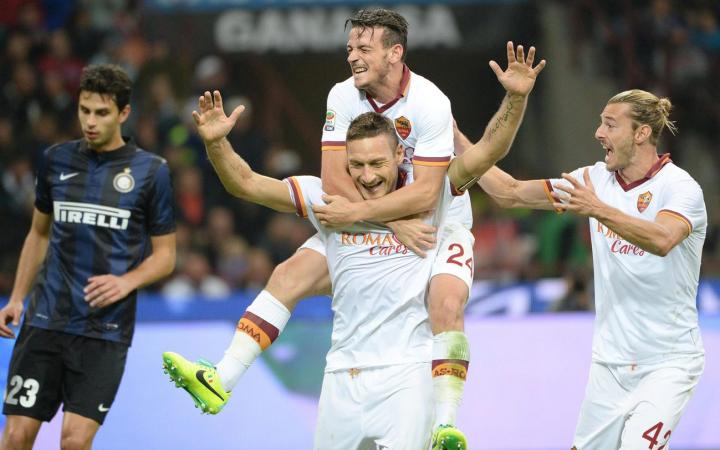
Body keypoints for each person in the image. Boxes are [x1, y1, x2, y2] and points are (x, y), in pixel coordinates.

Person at [164, 41, 543, 447]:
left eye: (377, 163)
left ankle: (446, 422)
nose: (367, 175)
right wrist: (216, 144)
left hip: (406, 378)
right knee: (288, 274)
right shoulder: (330, 200)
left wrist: (515, 99)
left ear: (400, 157)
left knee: (447, 305)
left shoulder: (434, 202)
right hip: (341, 376)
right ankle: (222, 377)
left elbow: (489, 151)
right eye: (356, 165)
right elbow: (246, 184)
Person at [459, 89, 705, 450]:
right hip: (609, 366)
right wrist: (456, 139)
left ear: (641, 133)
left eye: (610, 125)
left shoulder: (680, 188)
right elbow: (509, 192)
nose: (598, 133)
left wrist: (597, 209)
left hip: (667, 364)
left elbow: (663, 239)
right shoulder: (593, 181)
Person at [0, 64, 176, 450]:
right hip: (45, 320)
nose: (90, 122)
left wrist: (127, 281)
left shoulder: (152, 172)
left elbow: (166, 257)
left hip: (104, 331)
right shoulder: (55, 160)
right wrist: (17, 298)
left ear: (124, 113)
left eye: (101, 113)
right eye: (84, 110)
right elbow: (38, 233)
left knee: (74, 442)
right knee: (15, 437)